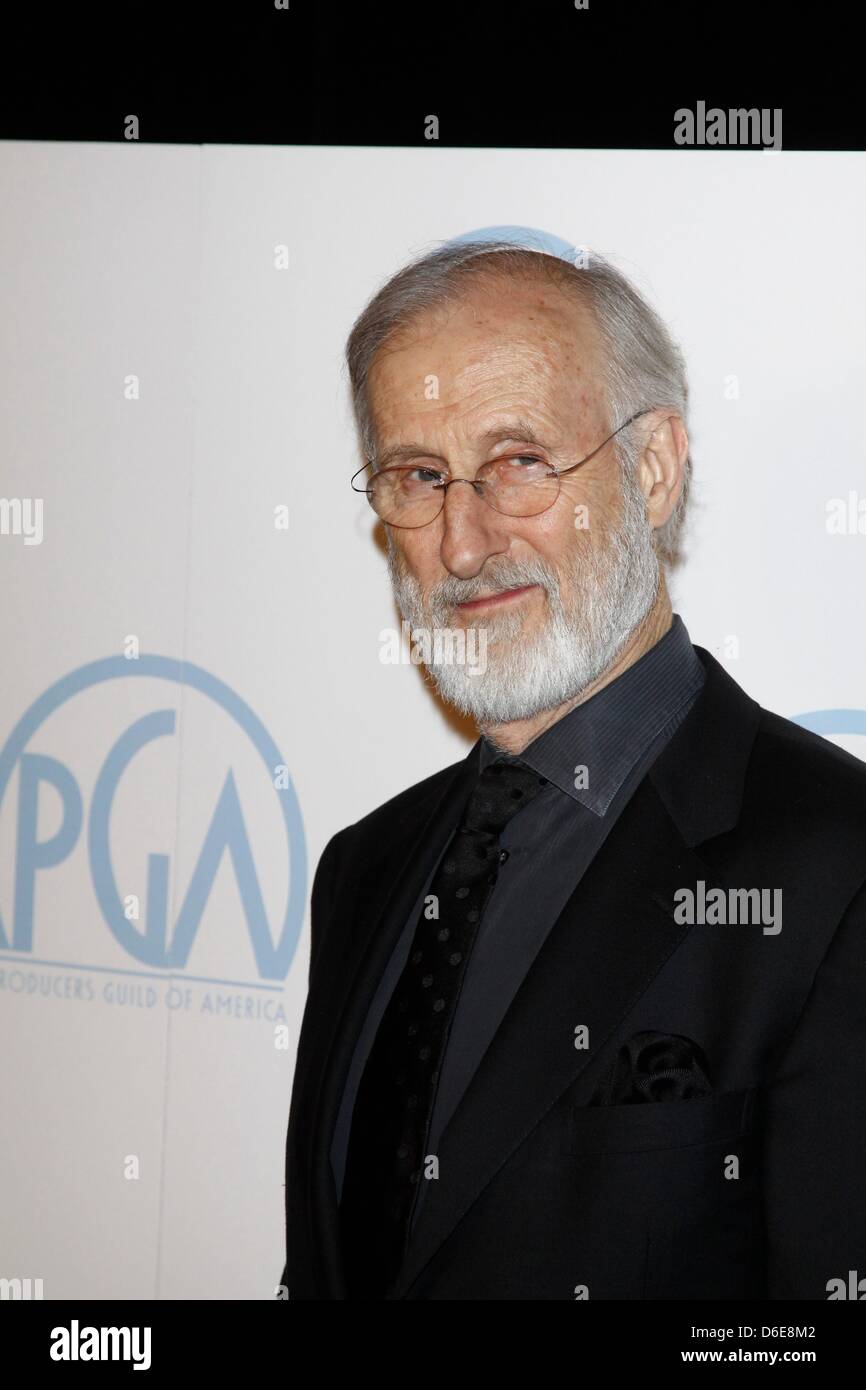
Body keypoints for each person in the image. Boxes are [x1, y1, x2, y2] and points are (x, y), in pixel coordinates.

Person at [280, 227, 866, 1300]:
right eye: (417, 474)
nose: (462, 543)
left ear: (650, 470)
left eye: (516, 462)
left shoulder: (835, 868)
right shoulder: (364, 870)